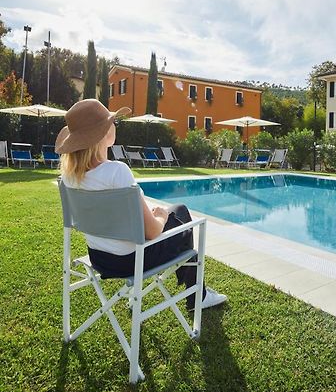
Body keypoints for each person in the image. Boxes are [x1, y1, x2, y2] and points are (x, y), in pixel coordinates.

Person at [55, 99, 227, 311]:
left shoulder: (69, 178)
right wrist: (161, 216)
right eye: (111, 122)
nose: (115, 125)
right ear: (101, 133)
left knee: (175, 213)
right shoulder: (117, 172)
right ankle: (196, 296)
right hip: (131, 261)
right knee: (180, 212)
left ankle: (190, 294)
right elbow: (153, 232)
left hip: (100, 258)